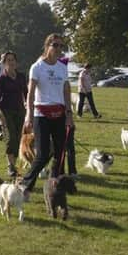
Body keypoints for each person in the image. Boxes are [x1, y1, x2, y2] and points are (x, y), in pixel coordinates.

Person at [20, 34, 73, 194]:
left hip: (60, 113)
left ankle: (54, 185)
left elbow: (66, 90)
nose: (58, 49)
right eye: (55, 45)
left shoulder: (62, 68)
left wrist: (69, 114)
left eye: (60, 46)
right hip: (41, 114)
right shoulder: (37, 67)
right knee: (43, 154)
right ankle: (26, 184)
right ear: (47, 46)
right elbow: (30, 93)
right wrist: (28, 115)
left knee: (59, 152)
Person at [0, 52, 27, 177]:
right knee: (11, 138)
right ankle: (11, 166)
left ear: (16, 62)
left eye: (13, 60)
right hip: (6, 111)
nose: (11, 62)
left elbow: (26, 94)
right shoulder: (1, 79)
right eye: (8, 60)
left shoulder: (21, 77)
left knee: (19, 138)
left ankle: (15, 165)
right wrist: (0, 117)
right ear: (4, 63)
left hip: (20, 111)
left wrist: (29, 108)